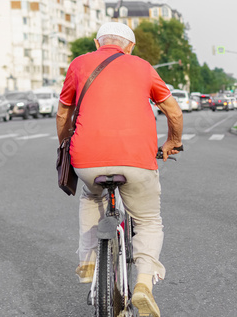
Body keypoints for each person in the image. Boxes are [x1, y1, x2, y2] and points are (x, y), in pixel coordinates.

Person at [56, 22, 183, 317]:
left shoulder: (78, 64)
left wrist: (65, 143)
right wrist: (172, 142)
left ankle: (88, 261)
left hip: (87, 159)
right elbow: (173, 110)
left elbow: (64, 111)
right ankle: (143, 285)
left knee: (91, 197)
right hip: (136, 160)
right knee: (149, 219)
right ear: (130, 47)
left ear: (98, 43)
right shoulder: (142, 66)